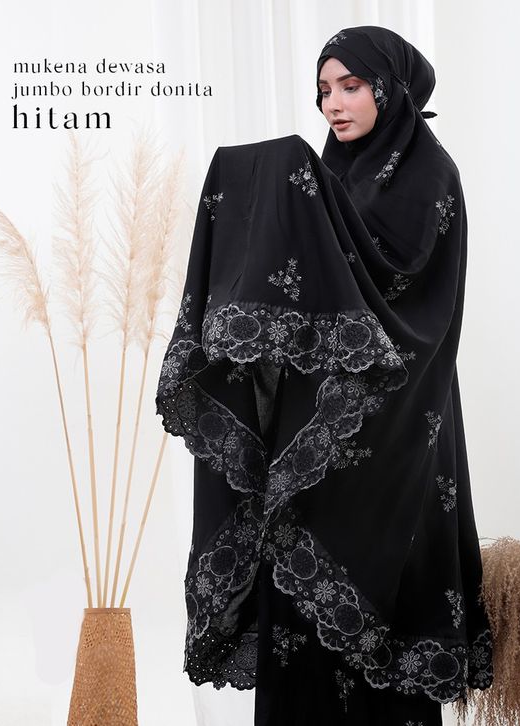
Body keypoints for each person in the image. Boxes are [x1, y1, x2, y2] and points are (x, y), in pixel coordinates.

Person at [156, 24, 493, 726]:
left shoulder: (430, 175)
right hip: (314, 427)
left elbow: (401, 301)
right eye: (323, 90)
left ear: (391, 89)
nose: (333, 104)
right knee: (293, 603)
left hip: (396, 428)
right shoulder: (332, 177)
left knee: (377, 608)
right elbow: (305, 290)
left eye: (351, 85)